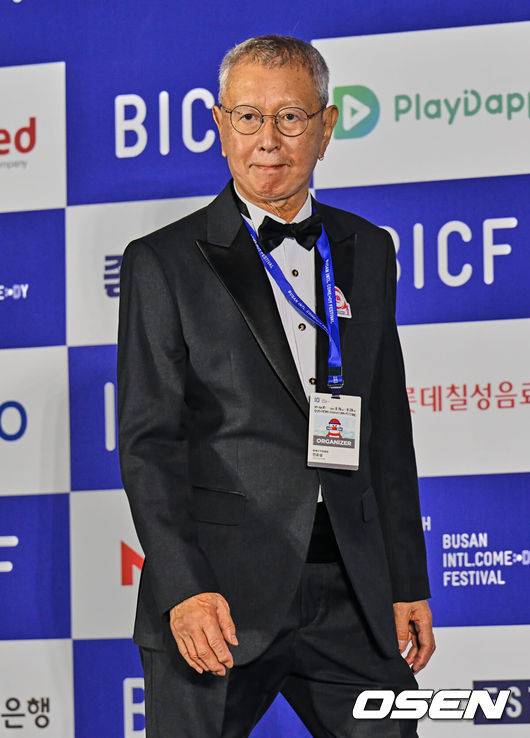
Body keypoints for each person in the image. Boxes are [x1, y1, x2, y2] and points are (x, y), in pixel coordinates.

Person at [117, 34, 435, 738]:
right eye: (248, 117)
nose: (268, 139)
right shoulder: (163, 262)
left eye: (290, 117)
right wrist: (185, 586)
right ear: (220, 124)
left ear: (326, 126)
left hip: (353, 589)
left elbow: (386, 426)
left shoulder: (368, 249)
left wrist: (406, 579)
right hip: (220, 595)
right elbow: (148, 444)